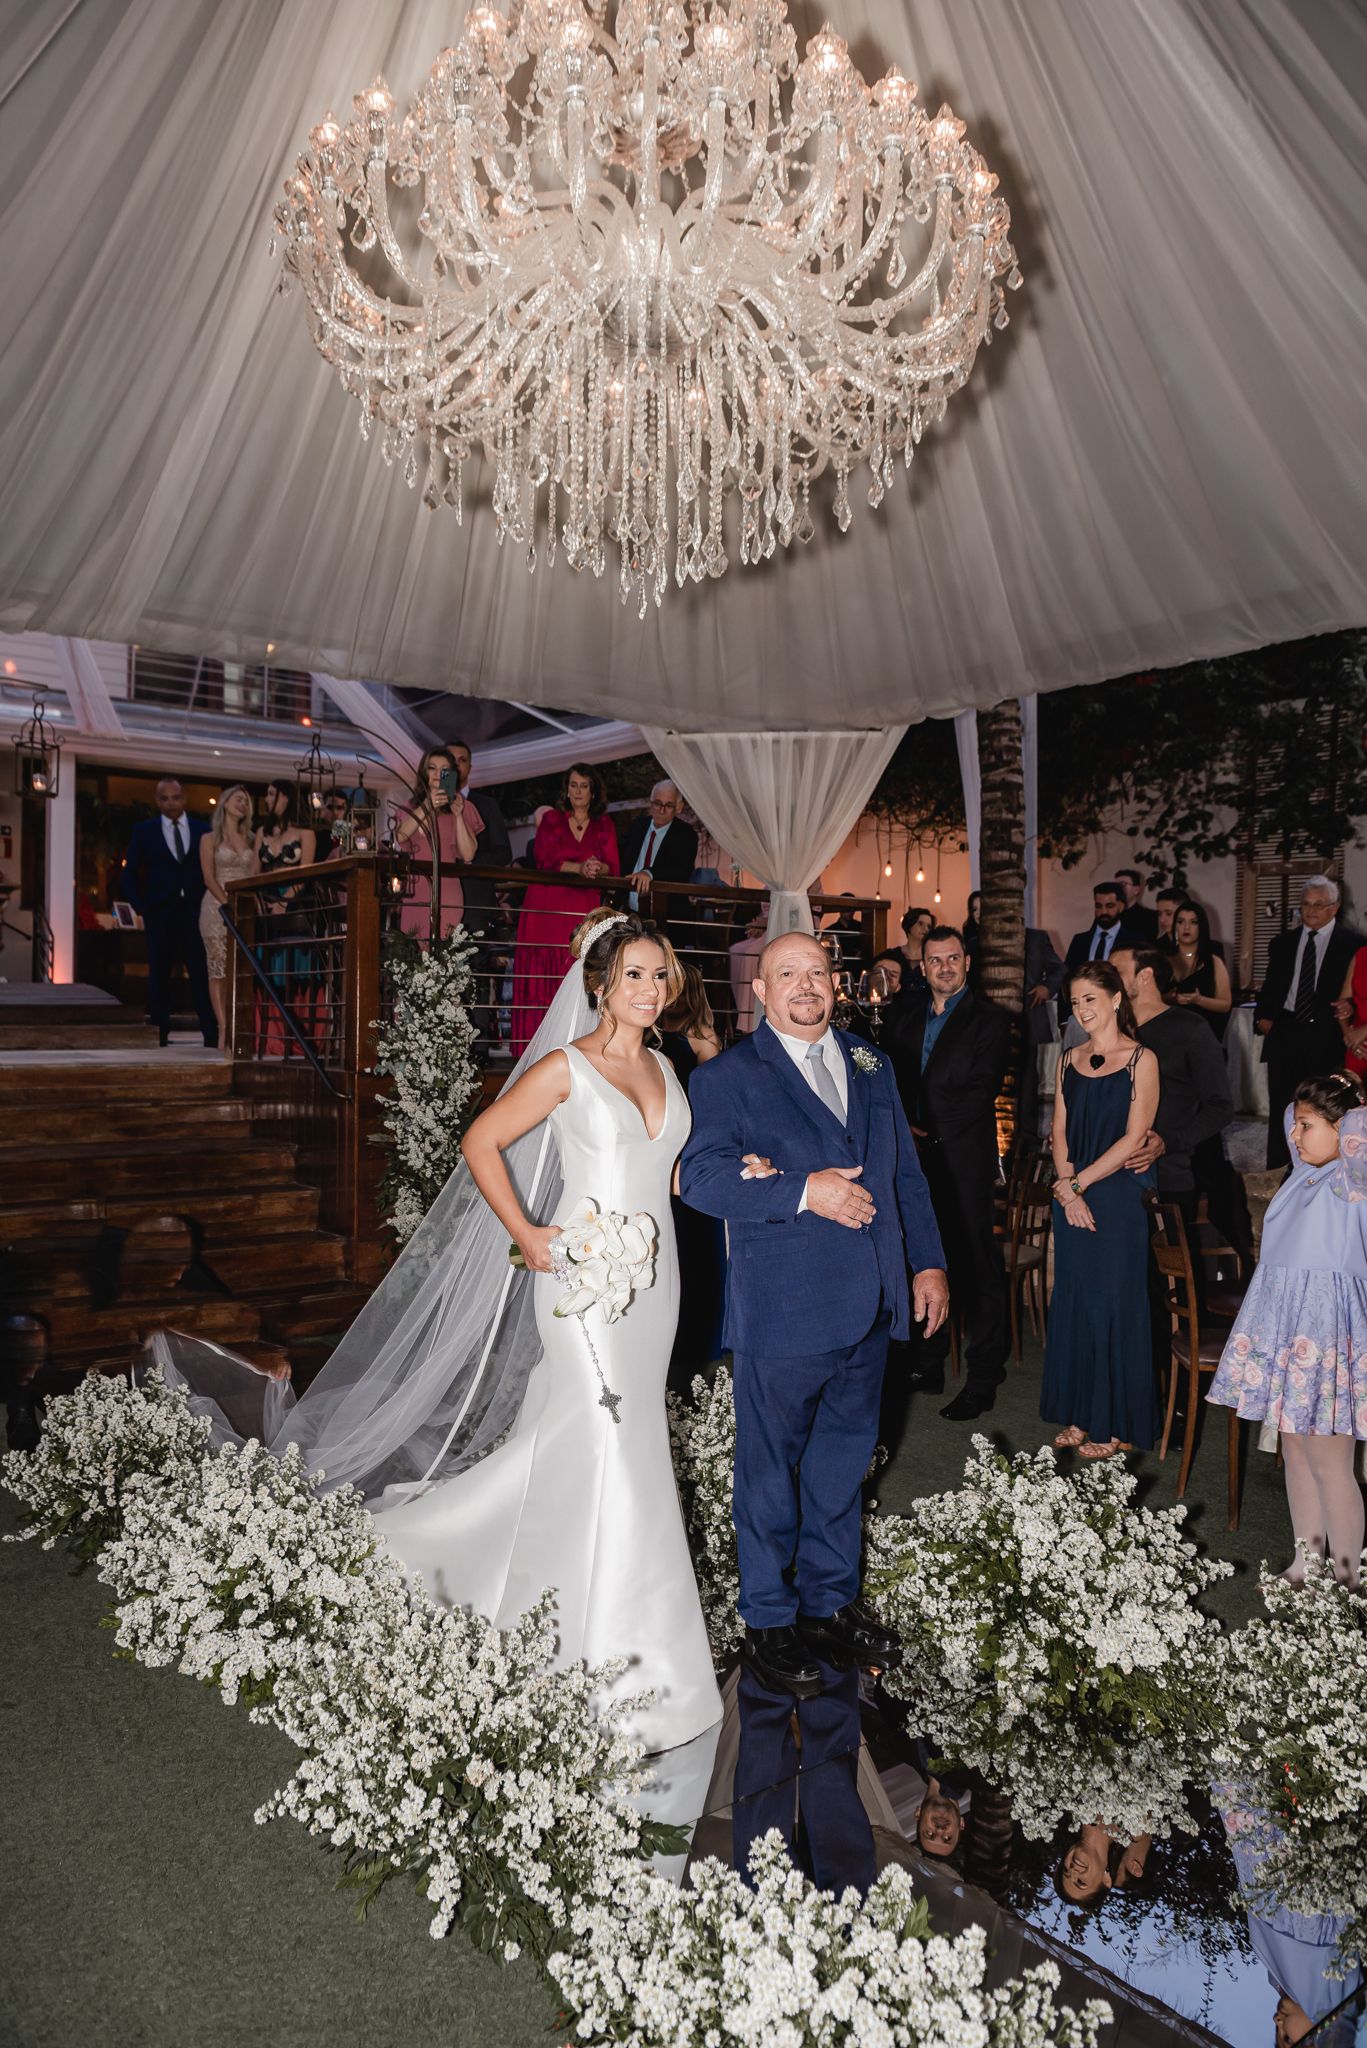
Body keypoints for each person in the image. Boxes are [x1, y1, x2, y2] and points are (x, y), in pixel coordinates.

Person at [150, 911, 768, 1754]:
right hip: (582, 1289)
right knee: (617, 1441)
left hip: (654, 1292)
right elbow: (483, 1142)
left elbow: (667, 1177)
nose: (650, 990)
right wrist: (527, 1232)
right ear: (598, 983)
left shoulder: (664, 1065)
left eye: (661, 975)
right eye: (634, 975)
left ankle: (575, 1603)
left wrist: (744, 1171)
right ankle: (617, 1664)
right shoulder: (565, 1069)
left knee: (604, 1445)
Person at [680, 931, 948, 1697]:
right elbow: (699, 1179)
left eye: (818, 973)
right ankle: (768, 1617)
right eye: (786, 974)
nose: (806, 985)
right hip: (785, 1308)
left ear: (837, 984)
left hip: (870, 1301)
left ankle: (829, 1602)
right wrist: (803, 1189)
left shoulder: (871, 1062)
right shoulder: (728, 1077)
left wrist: (926, 1263)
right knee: (769, 1474)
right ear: (758, 992)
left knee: (840, 1465)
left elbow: (904, 1175)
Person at [1206, 1073, 1367, 1589]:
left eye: (1306, 1126)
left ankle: (1345, 1580)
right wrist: (1310, 1106)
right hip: (1286, 1327)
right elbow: (1291, 1121)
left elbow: (1359, 1132)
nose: (1293, 1136)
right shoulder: (1304, 1173)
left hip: (1327, 1336)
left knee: (1330, 1460)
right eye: (1296, 1125)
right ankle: (1307, 1563)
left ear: (1345, 1130)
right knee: (1294, 1448)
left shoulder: (1353, 1178)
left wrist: (1350, 1103)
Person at [883, 925, 1011, 1422]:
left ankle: (983, 1377)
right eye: (935, 961)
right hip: (911, 1166)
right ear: (923, 967)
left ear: (967, 962)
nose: (945, 967)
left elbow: (982, 1093)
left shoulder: (991, 1021)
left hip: (962, 1163)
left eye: (953, 958)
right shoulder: (904, 1015)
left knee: (977, 1270)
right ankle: (928, 1363)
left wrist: (924, 1132)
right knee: (922, 1262)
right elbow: (887, 1077)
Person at [1041, 961, 1160, 1461]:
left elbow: (1135, 1137)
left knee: (1114, 1304)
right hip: (1073, 1195)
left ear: (1115, 999)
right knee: (1074, 1301)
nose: (1082, 1009)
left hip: (1115, 1196)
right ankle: (1081, 1413)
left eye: (1091, 998)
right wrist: (1067, 1192)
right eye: (1074, 1002)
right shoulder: (1068, 1059)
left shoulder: (1142, 1059)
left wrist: (1078, 1183)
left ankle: (1117, 1425)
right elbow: (1060, 1133)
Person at [511, 763, 619, 1053]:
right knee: (542, 973)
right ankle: (535, 1049)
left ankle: (575, 1046)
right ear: (566, 790)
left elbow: (615, 866)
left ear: (593, 791)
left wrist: (599, 867)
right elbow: (544, 859)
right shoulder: (551, 820)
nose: (578, 791)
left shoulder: (605, 824)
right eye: (573, 785)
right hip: (547, 907)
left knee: (576, 969)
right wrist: (579, 866)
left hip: (583, 908)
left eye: (584, 786)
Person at [1255, 877, 1362, 1172]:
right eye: (1306, 904)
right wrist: (1263, 1020)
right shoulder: (1282, 943)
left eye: (1319, 905)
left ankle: (1324, 1171)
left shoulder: (1353, 944)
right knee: (1283, 1108)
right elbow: (1270, 988)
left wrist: (1350, 1008)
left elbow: (1355, 994)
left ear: (1335, 907)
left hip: (1326, 1035)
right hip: (1285, 1032)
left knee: (1324, 1110)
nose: (1311, 911)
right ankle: (1279, 1172)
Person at [122, 776, 217, 1048]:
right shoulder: (144, 830)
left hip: (195, 912)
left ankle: (210, 1033)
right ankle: (159, 1033)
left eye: (175, 797)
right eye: (164, 798)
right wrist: (142, 907)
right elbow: (129, 874)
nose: (170, 803)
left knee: (200, 972)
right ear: (157, 801)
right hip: (160, 912)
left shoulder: (203, 830)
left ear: (184, 799)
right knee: (159, 973)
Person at [395, 746, 481, 943]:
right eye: (432, 768)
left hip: (448, 889)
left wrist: (458, 815)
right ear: (424, 772)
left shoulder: (464, 806)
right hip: (417, 889)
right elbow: (400, 837)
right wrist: (428, 805)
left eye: (444, 769)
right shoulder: (411, 806)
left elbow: (468, 855)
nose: (437, 774)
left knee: (444, 952)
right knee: (415, 953)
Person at [198, 785, 257, 1049]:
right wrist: (227, 904)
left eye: (246, 801)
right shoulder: (209, 839)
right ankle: (223, 1028)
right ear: (224, 803)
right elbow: (208, 877)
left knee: (241, 970)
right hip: (216, 907)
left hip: (244, 909)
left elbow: (256, 875)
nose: (242, 804)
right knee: (218, 969)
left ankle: (240, 1026)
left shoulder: (252, 840)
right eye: (238, 799)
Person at [1058, 882, 1144, 1027]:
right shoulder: (1080, 941)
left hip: (1120, 1018)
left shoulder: (1134, 941)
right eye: (1098, 906)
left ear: (1121, 906)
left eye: (1109, 906)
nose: (1103, 912)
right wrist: (1065, 1021)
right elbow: (1067, 980)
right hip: (1081, 1018)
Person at [619, 780, 698, 913]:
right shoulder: (637, 826)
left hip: (666, 915)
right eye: (657, 803)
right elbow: (620, 857)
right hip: (629, 911)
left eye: (668, 805)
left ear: (678, 807)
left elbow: (683, 870)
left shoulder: (687, 835)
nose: (661, 810)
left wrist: (649, 873)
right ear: (650, 803)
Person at [1162, 899, 1233, 1039]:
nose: (1186, 927)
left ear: (1202, 927)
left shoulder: (1214, 961)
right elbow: (1149, 997)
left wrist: (1199, 1000)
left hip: (1204, 1033)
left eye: (1193, 922)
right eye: (1181, 922)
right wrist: (1171, 999)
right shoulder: (1163, 960)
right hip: (1169, 1032)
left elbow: (1225, 1004)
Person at [1021, 925, 1066, 1140]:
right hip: (992, 1019)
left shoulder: (1036, 938)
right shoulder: (977, 940)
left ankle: (1026, 1140)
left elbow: (1059, 969)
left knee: (1029, 1081)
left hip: (1029, 1015)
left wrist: (1046, 988)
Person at [897, 905, 933, 998]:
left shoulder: (933, 956)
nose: (926, 929)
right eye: (920, 924)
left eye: (929, 926)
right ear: (909, 924)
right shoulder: (893, 955)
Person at [1114, 868, 1159, 941]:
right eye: (1115, 885)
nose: (1118, 889)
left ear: (1136, 890)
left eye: (1123, 884)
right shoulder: (1107, 913)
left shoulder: (1149, 917)